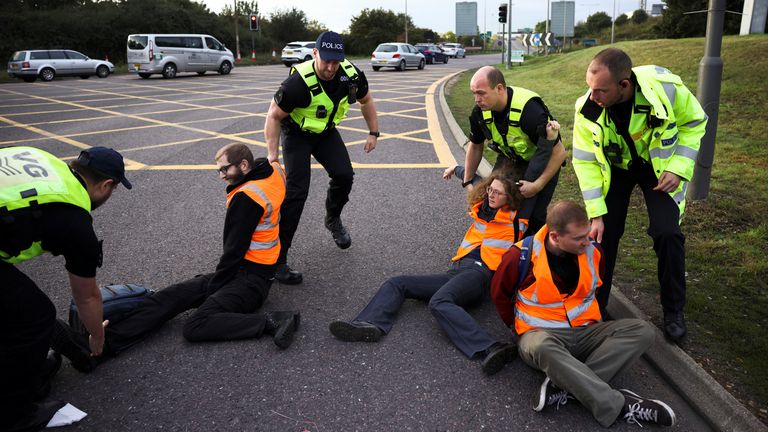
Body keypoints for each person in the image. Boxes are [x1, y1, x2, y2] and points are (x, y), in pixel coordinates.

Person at [53, 144, 301, 374]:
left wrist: (215, 288)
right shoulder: (271, 171)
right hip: (243, 270)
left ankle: (272, 321)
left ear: (245, 166)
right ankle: (100, 348)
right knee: (168, 297)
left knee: (196, 326)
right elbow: (279, 177)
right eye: (219, 169)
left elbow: (232, 252)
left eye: (225, 169)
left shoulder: (246, 198)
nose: (221, 175)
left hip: (252, 281)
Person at [329, 166, 535, 376]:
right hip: (457, 271)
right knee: (398, 282)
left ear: (509, 197)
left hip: (481, 275)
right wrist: (455, 169)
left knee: (440, 301)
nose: (491, 194)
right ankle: (369, 324)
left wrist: (546, 146)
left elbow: (536, 181)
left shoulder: (516, 216)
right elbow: (472, 178)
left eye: (498, 193)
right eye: (491, 189)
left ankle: (491, 347)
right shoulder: (482, 206)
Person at [491, 200, 676, 428]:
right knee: (541, 346)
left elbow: (595, 291)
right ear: (555, 237)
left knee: (642, 331)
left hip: (585, 332)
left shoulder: (594, 252)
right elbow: (499, 294)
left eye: (586, 234)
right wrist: (516, 328)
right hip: (540, 336)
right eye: (578, 238)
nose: (586, 241)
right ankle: (617, 405)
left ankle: (566, 386)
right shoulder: (519, 256)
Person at [572, 48, 707, 342]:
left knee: (668, 233)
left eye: (600, 90)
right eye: (590, 87)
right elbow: (584, 161)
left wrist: (678, 168)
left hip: (658, 169)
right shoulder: (588, 108)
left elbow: (695, 122)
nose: (593, 96)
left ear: (624, 84)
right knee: (601, 234)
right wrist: (596, 212)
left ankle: (673, 311)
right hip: (616, 169)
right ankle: (596, 306)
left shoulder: (666, 90)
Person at [0, 146, 131, 432]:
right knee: (35, 317)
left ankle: (21, 373)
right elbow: (86, 295)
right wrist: (96, 337)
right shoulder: (73, 216)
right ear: (106, 185)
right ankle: (13, 415)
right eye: (113, 190)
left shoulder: (42, 158)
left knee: (13, 305)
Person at [265, 31, 379, 285]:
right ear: (315, 53)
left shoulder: (350, 75)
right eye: (325, 60)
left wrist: (373, 132)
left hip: (325, 133)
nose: (330, 67)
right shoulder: (297, 84)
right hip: (296, 134)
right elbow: (273, 116)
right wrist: (273, 156)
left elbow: (366, 100)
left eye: (335, 62)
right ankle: (278, 259)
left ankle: (332, 218)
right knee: (296, 193)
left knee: (344, 175)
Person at [454, 65, 567, 236]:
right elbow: (476, 145)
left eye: (481, 93)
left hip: (541, 162)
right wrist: (468, 180)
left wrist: (538, 185)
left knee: (533, 216)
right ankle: (498, 243)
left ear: (499, 88)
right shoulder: (480, 112)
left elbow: (559, 153)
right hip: (509, 158)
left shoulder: (530, 111)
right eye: (474, 93)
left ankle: (530, 252)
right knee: (494, 203)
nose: (476, 99)